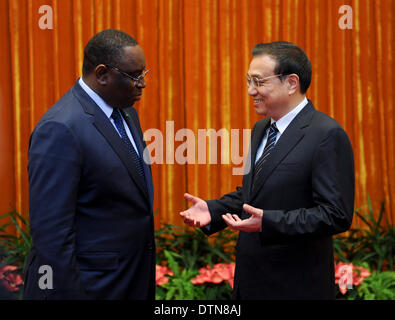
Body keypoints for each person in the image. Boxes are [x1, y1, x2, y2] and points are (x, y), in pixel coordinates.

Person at [180, 41, 355, 300]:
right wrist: (214, 210)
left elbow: (336, 214)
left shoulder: (326, 134)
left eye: (259, 82)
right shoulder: (261, 129)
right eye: (248, 81)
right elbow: (253, 196)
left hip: (295, 286)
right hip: (251, 282)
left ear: (292, 83)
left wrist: (270, 223)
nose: (251, 91)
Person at [23, 29, 155, 300]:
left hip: (129, 280)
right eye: (133, 76)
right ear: (102, 73)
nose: (142, 84)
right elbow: (52, 236)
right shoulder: (60, 128)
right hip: (91, 287)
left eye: (144, 73)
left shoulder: (126, 112)